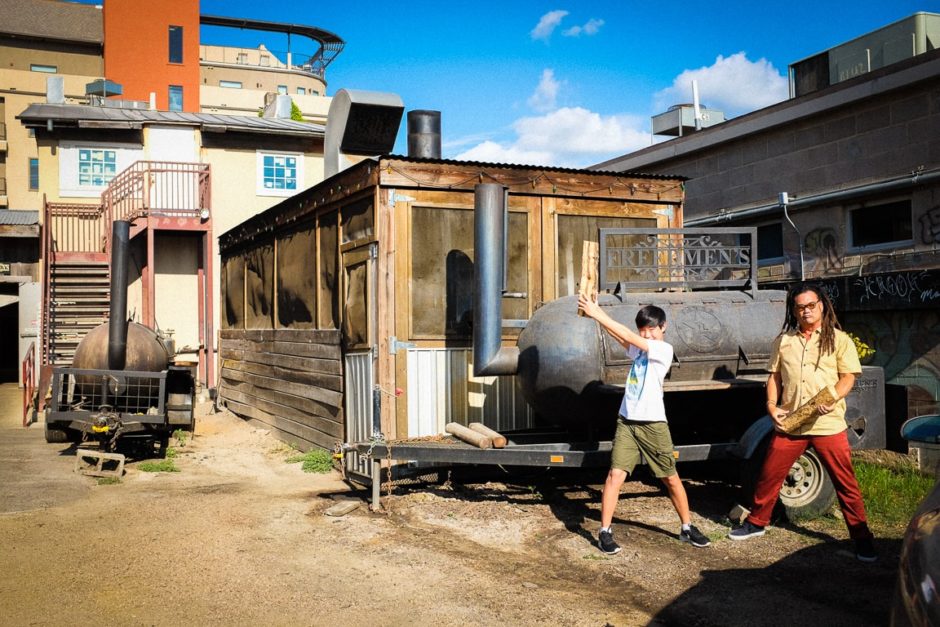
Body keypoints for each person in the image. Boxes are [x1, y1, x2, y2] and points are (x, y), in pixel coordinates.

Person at [728, 283, 877, 562]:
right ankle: (757, 523)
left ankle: (862, 538)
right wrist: (772, 406)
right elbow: (774, 377)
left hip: (828, 424)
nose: (806, 311)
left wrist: (832, 397)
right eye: (800, 307)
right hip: (792, 423)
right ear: (793, 311)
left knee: (845, 483)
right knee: (769, 475)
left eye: (811, 305)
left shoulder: (839, 339)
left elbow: (848, 378)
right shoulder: (785, 342)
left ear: (821, 305)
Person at [578, 294, 711, 554]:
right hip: (627, 421)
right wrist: (596, 315)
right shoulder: (639, 348)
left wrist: (597, 313)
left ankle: (687, 527)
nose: (647, 334)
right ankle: (605, 531)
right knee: (615, 475)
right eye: (643, 330)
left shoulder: (663, 349)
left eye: (652, 329)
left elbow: (627, 334)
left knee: (670, 478)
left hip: (653, 424)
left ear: (663, 327)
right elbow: (621, 336)